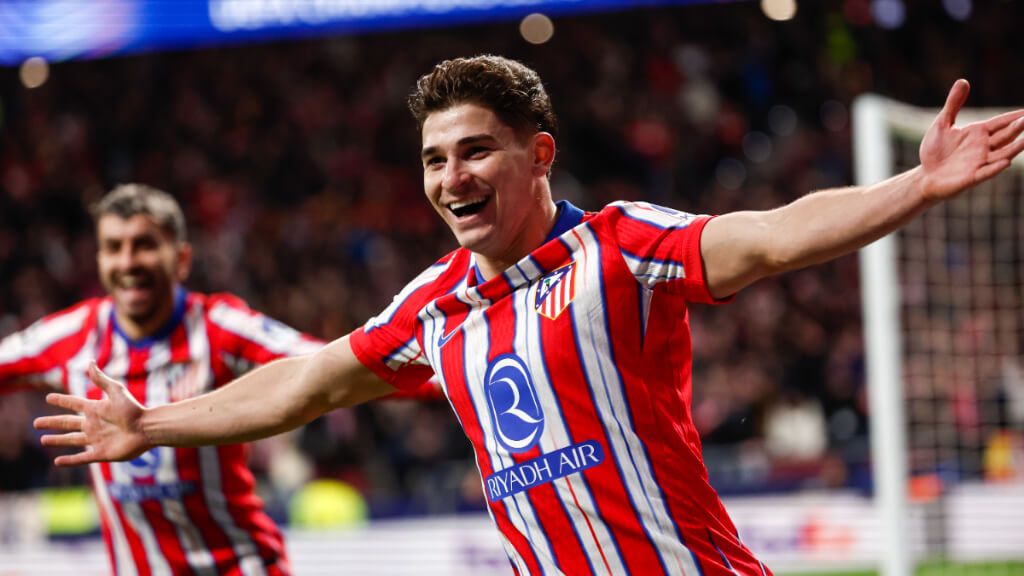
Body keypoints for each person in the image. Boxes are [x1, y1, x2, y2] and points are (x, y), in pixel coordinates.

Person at [35, 56, 1024, 575]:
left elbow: (769, 237)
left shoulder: (622, 248)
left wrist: (914, 187)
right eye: (433, 159)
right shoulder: (433, 304)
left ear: (539, 154)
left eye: (475, 151)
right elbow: (305, 384)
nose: (450, 178)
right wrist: (150, 423)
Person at [2, 184, 324, 575]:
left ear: (181, 259)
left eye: (144, 245)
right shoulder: (70, 338)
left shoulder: (218, 326)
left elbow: (330, 364)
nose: (128, 261)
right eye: (114, 247)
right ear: (100, 259)